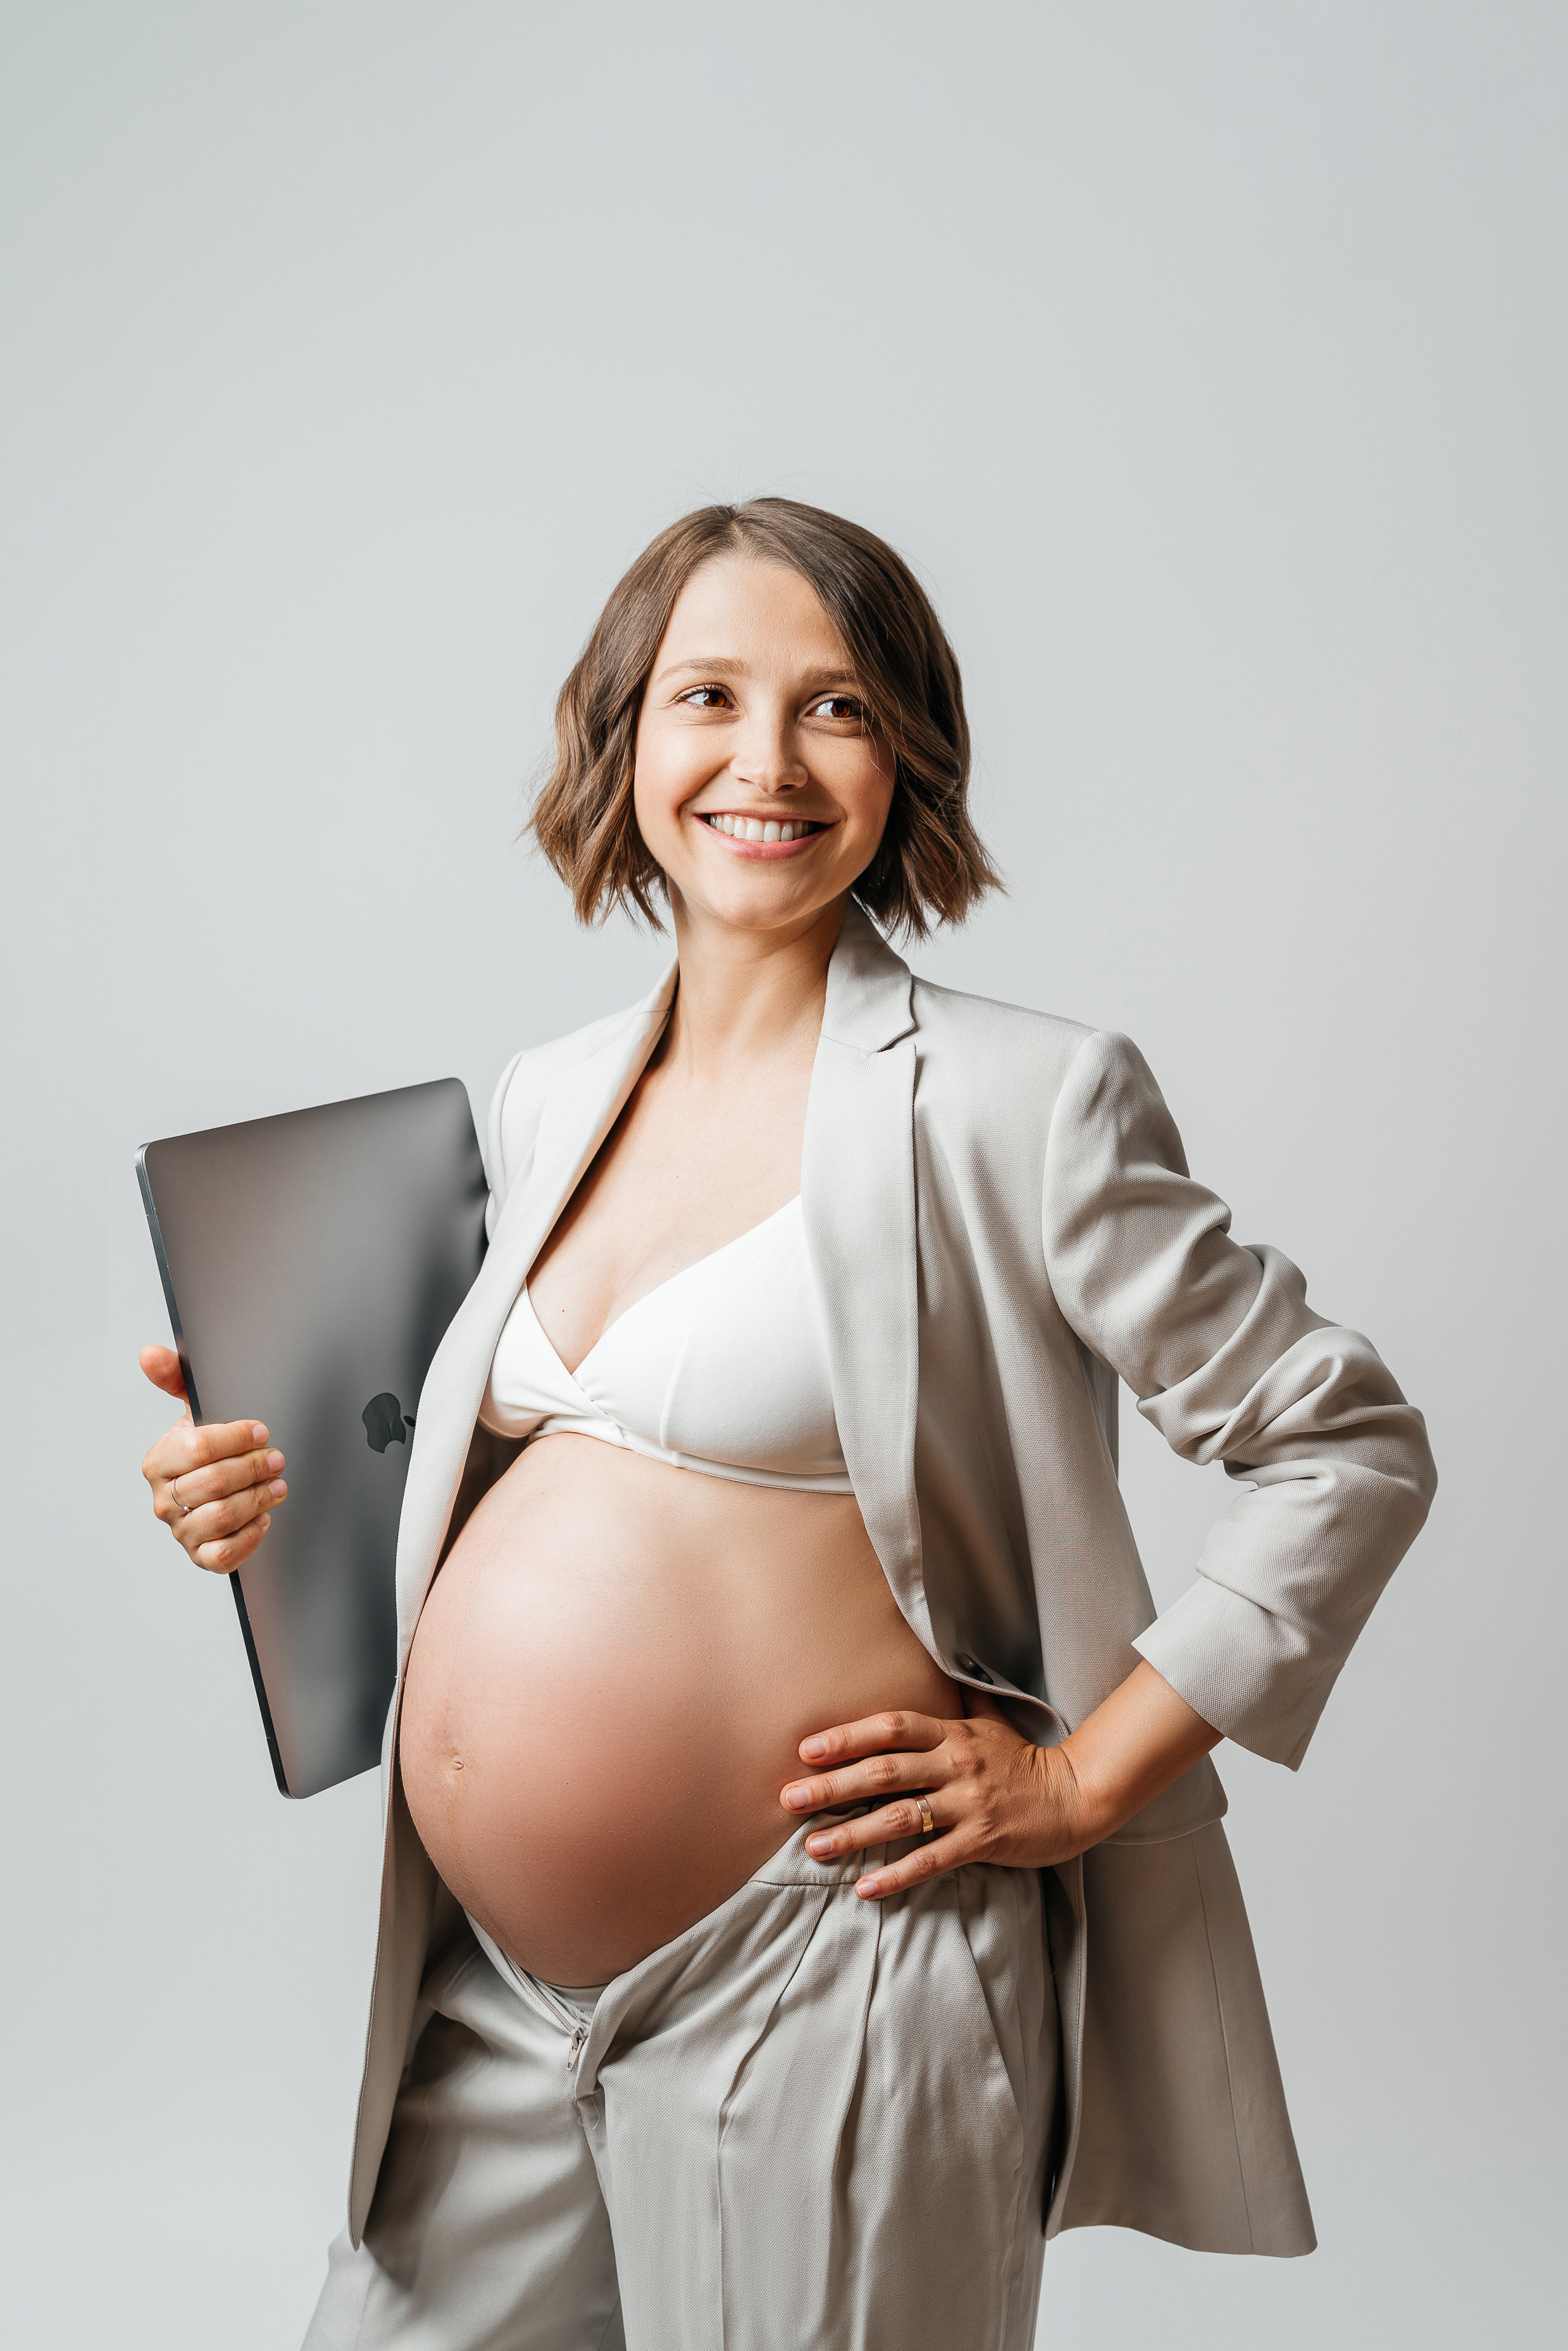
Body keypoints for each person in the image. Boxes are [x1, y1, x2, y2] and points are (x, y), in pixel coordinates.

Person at [139, 498, 1436, 2351]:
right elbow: (503, 1499)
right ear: (626, 738)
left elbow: (1347, 1441)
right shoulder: (545, 1095)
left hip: (825, 1977)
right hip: (492, 1985)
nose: (765, 760)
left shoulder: (1021, 1099)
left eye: (832, 707)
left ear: (907, 751)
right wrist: (262, 1506)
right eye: (708, 697)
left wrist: (1084, 1776)